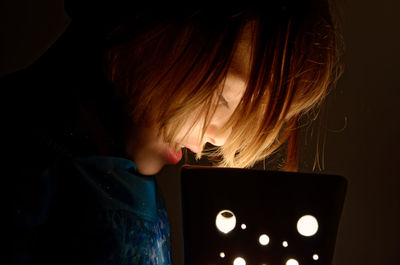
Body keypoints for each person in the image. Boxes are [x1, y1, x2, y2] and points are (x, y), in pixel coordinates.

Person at [1, 1, 341, 264]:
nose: (219, 138)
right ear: (141, 24)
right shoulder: (25, 166)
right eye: (221, 97)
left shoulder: (123, 180)